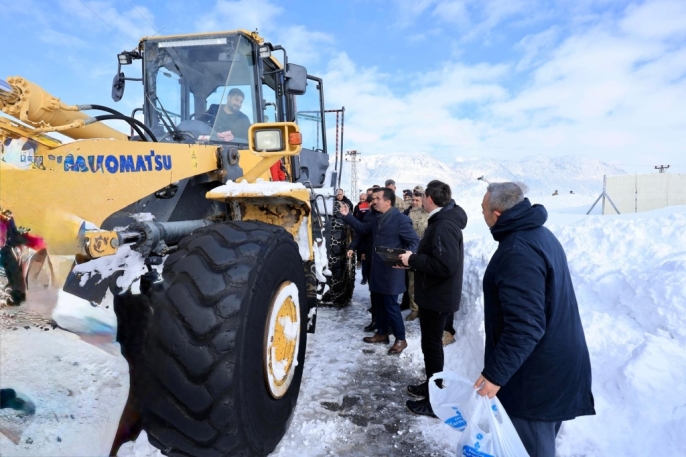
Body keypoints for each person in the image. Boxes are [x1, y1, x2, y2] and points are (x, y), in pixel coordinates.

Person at [474, 182, 595, 457]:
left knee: (532, 448)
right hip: (547, 364)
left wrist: (495, 374)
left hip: (537, 377)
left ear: (497, 214)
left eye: (483, 209)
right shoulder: (538, 234)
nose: (482, 214)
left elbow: (525, 327)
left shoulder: (518, 250)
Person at [399, 181, 467, 417]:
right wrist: (412, 261)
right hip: (435, 294)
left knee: (432, 347)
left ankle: (434, 400)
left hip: (438, 297)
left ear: (429, 198)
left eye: (422, 196)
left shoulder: (443, 225)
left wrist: (412, 260)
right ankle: (431, 385)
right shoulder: (442, 221)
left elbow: (445, 265)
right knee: (430, 346)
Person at [340, 188, 419, 354]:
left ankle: (401, 338)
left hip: (392, 272)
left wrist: (408, 256)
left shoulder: (401, 220)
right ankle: (382, 333)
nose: (373, 201)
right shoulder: (377, 218)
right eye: (373, 198)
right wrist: (347, 216)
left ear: (388, 202)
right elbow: (362, 228)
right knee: (379, 304)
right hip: (377, 270)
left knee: (391, 306)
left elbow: (414, 241)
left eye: (377, 198)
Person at [404, 190, 429, 321]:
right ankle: (414, 310)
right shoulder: (410, 214)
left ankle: (425, 309)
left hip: (426, 254)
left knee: (425, 283)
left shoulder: (430, 214)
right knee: (412, 284)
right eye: (412, 200)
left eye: (416, 200)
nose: (413, 202)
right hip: (412, 253)